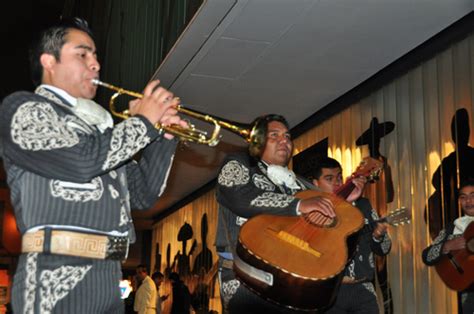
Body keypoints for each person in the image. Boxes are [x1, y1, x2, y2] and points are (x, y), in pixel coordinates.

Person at [0, 18, 184, 313]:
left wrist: (164, 135)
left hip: (109, 275)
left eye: (96, 55)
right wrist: (142, 123)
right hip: (55, 274)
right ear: (49, 61)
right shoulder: (22, 108)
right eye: (82, 54)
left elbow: (142, 193)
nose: (96, 64)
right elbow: (81, 161)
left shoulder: (101, 132)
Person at [214, 114, 365, 313]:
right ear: (256, 140)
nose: (284, 140)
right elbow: (237, 196)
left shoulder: (301, 183)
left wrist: (347, 199)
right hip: (249, 278)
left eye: (287, 136)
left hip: (295, 284)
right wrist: (298, 204)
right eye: (274, 135)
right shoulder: (240, 163)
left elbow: (327, 213)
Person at [308, 157, 391, 314]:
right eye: (329, 178)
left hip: (363, 290)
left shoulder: (363, 205)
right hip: (329, 293)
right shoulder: (311, 210)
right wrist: (345, 202)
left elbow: (385, 248)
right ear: (315, 184)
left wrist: (379, 236)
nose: (337, 182)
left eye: (339, 177)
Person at [422, 179, 474, 313]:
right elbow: (427, 256)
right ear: (459, 202)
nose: (468, 201)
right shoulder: (453, 228)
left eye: (473, 196)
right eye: (463, 197)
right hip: (467, 293)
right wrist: (446, 245)